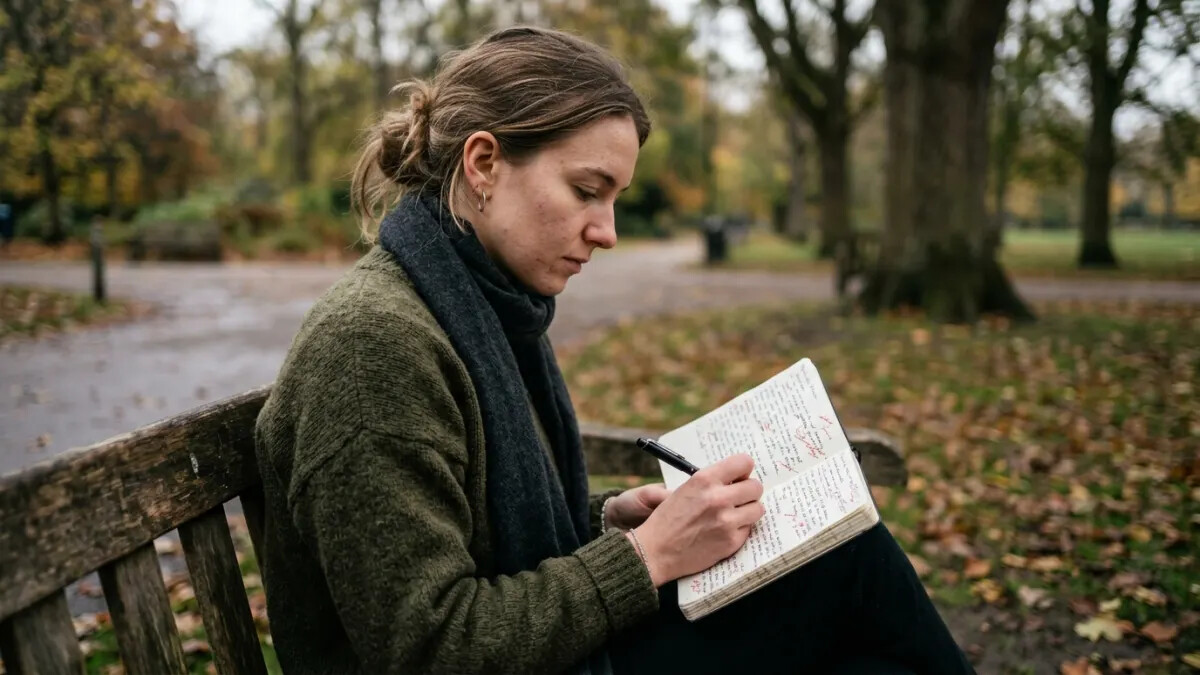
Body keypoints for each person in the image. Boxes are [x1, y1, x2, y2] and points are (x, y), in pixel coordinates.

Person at [253, 26, 974, 675]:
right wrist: (644, 556)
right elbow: (430, 645)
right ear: (483, 164)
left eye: (616, 198)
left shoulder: (474, 302)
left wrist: (606, 521)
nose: (608, 230)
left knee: (849, 571)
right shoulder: (373, 346)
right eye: (587, 191)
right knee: (853, 581)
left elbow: (479, 525)